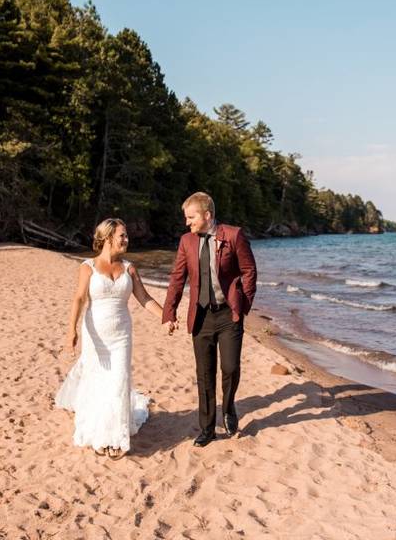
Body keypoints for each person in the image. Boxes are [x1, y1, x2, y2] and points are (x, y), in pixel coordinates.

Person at [56, 218, 172, 459]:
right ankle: (99, 434)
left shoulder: (130, 268)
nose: (126, 240)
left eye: (126, 235)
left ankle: (116, 437)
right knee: (98, 381)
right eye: (122, 235)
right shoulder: (87, 267)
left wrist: (166, 317)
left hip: (121, 336)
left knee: (118, 381)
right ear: (108, 238)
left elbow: (145, 298)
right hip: (95, 335)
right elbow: (78, 298)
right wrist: (72, 331)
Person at [163, 192, 257, 447]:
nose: (187, 222)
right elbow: (177, 278)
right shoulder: (186, 241)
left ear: (207, 215)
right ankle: (207, 429)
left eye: (191, 217)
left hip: (229, 314)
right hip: (201, 316)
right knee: (204, 374)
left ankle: (228, 407)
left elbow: (249, 271)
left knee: (230, 368)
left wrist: (244, 304)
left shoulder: (233, 235)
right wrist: (169, 312)